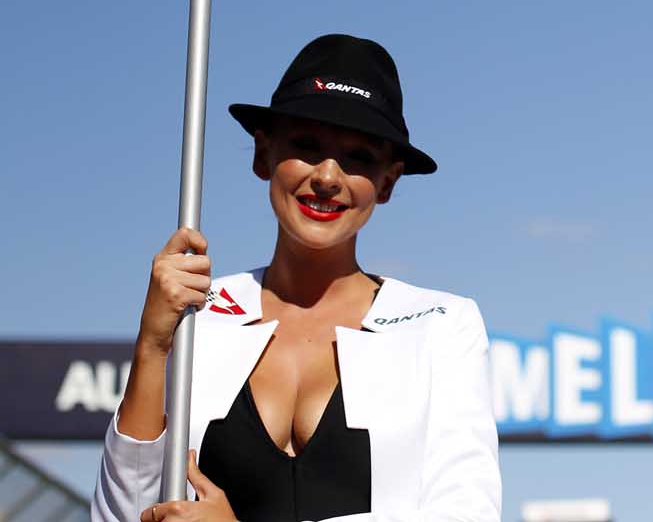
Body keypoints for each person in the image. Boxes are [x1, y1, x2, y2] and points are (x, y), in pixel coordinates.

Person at [92, 34, 501, 522]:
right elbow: (126, 515)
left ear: (387, 182)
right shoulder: (196, 313)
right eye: (307, 146)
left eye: (359, 157)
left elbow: (466, 513)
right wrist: (152, 345)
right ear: (262, 155)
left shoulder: (442, 325)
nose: (328, 176)